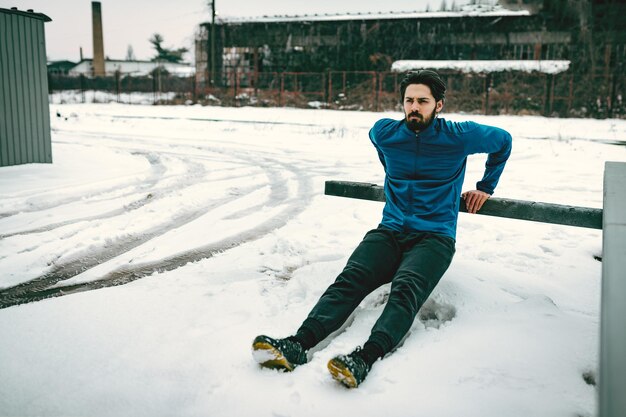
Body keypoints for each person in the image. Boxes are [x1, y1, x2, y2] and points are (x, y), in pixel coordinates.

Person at [251, 70, 512, 388]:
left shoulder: (461, 135)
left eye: (423, 101)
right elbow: (385, 155)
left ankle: (363, 359)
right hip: (389, 230)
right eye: (409, 101)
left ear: (439, 105)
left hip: (435, 236)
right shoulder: (385, 132)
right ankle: (296, 345)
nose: (414, 107)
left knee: (405, 291)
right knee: (348, 282)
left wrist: (485, 186)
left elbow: (504, 142)